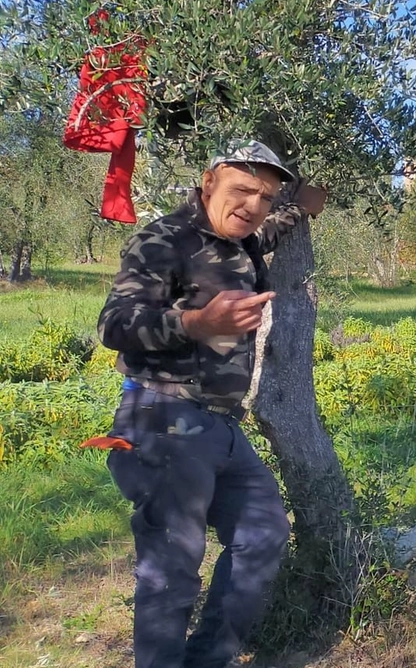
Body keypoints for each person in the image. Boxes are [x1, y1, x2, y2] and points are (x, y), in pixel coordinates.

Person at [96, 140, 327, 668]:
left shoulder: (242, 238)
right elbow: (113, 325)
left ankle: (207, 659)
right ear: (208, 182)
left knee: (264, 533)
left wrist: (299, 206)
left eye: (265, 197)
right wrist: (198, 323)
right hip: (162, 416)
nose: (252, 205)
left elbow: (266, 227)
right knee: (173, 564)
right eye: (242, 190)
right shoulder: (164, 239)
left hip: (220, 426)